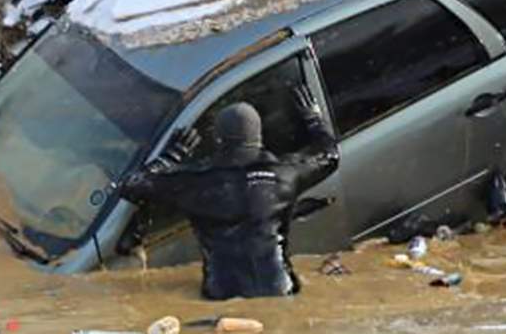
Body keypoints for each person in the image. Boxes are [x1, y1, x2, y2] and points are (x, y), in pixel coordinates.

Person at [118, 90, 340, 300]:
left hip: (222, 295)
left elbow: (131, 185)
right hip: (281, 291)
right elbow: (329, 156)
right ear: (260, 136)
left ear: (218, 140)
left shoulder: (195, 183)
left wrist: (171, 156)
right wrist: (314, 119)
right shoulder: (286, 173)